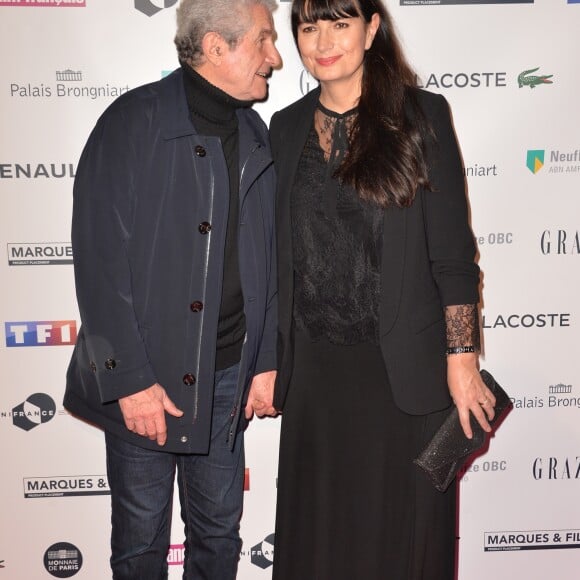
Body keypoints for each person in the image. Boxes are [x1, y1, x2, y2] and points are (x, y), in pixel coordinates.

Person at [270, 1, 497, 578]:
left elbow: (452, 257)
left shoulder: (421, 115)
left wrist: (462, 358)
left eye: (341, 23)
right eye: (309, 25)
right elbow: (276, 261)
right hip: (315, 382)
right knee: (322, 542)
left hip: (401, 375)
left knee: (402, 545)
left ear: (372, 29)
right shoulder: (285, 127)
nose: (323, 40)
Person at [63, 1, 281, 578]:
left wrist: (266, 359)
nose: (276, 58)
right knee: (140, 546)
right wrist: (129, 380)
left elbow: (269, 258)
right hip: (148, 381)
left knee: (218, 537)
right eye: (263, 41)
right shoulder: (132, 122)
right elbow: (98, 262)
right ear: (216, 47)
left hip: (230, 376)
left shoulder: (256, 133)